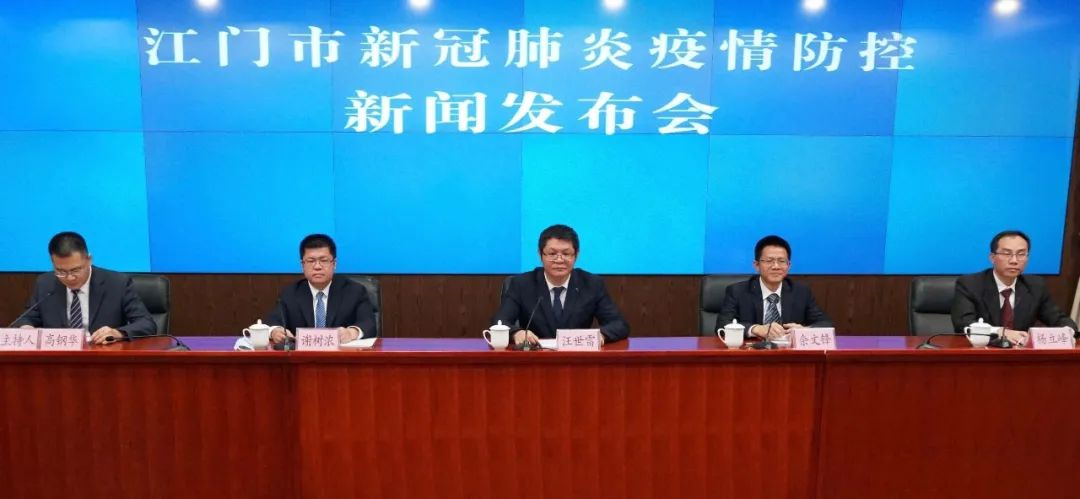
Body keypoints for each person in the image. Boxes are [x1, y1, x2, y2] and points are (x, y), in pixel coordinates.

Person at [492, 224, 629, 346]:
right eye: (552, 253)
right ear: (540, 254)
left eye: (566, 253)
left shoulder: (591, 284)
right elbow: (500, 322)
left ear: (576, 255)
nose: (559, 260)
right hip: (535, 357)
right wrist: (516, 333)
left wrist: (601, 335)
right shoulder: (522, 284)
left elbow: (619, 324)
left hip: (577, 359)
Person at [12, 231, 156, 344]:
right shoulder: (45, 283)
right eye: (61, 271)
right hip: (59, 361)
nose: (69, 278)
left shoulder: (117, 283)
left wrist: (118, 333)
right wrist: (26, 328)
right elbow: (25, 319)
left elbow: (147, 324)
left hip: (103, 359)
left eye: (75, 270)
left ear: (89, 260)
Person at [951, 230, 1077, 346]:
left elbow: (1059, 319)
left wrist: (1066, 333)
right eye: (1007, 254)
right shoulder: (970, 284)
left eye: (1021, 254)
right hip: (982, 353)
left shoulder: (1036, 286)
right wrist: (1000, 332)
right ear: (992, 258)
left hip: (1021, 355)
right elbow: (963, 325)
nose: (1014, 260)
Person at [715, 235, 831, 340]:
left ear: (788, 265)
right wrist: (756, 329)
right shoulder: (737, 291)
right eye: (769, 261)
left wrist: (804, 330)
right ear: (756, 265)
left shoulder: (801, 292)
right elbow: (722, 326)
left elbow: (825, 324)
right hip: (752, 352)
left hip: (789, 353)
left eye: (781, 261)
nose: (776, 266)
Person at [266, 234, 376, 344]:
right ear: (302, 265)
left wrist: (351, 333)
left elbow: (369, 324)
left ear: (334, 264)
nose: (317, 267)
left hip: (341, 353)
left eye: (323, 260)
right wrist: (276, 331)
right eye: (311, 261)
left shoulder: (354, 291)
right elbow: (272, 322)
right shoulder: (290, 293)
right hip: (303, 354)